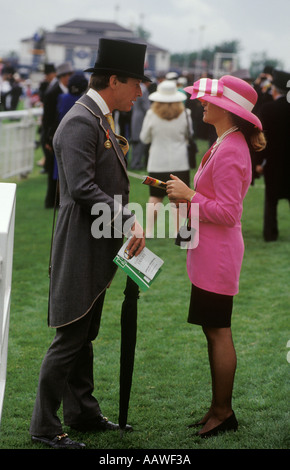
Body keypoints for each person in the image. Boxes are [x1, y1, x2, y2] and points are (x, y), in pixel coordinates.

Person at [29, 38, 148, 449]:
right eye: (136, 83)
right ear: (114, 80)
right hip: (80, 245)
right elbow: (81, 187)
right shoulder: (82, 120)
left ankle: (81, 412)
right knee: (69, 339)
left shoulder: (97, 118)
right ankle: (44, 426)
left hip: (95, 242)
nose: (140, 91)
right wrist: (130, 219)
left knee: (83, 336)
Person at [166, 75, 266, 438]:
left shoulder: (231, 148)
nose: (202, 103)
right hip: (210, 253)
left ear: (227, 108)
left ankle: (223, 412)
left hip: (218, 256)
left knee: (219, 331)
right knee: (213, 330)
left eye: (210, 100)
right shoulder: (226, 141)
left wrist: (189, 195)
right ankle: (217, 408)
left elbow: (228, 212)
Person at [140, 80, 193, 238]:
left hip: (157, 162)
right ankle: (178, 231)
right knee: (179, 199)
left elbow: (144, 138)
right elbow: (189, 134)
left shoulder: (151, 114)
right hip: (180, 161)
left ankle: (148, 231)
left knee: (155, 196)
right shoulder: (185, 113)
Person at [255, 69, 290, 241]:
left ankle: (270, 233)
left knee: (271, 200)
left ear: (274, 89)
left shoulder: (268, 109)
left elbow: (262, 138)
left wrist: (260, 161)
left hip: (273, 162)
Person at [41, 62, 74, 208]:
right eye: (67, 75)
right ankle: (51, 201)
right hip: (51, 134)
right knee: (52, 169)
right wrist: (48, 138)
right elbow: (47, 118)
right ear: (61, 77)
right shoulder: (52, 93)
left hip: (63, 135)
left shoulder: (69, 91)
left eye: (70, 75)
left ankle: (58, 199)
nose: (69, 78)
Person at [130, 78, 151, 169]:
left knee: (136, 141)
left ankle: (135, 162)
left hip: (135, 116)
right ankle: (136, 163)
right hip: (141, 117)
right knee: (139, 141)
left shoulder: (138, 88)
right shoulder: (144, 89)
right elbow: (146, 106)